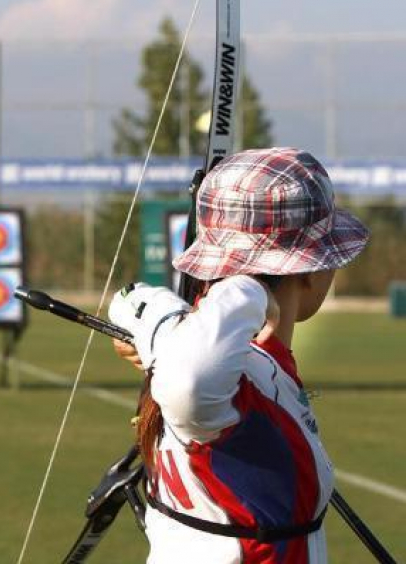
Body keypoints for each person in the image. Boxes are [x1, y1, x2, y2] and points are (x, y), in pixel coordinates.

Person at [108, 147, 369, 564]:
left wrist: (168, 332)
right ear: (309, 269)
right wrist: (250, 286)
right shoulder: (216, 383)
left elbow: (129, 299)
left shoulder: (212, 355)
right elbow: (188, 382)